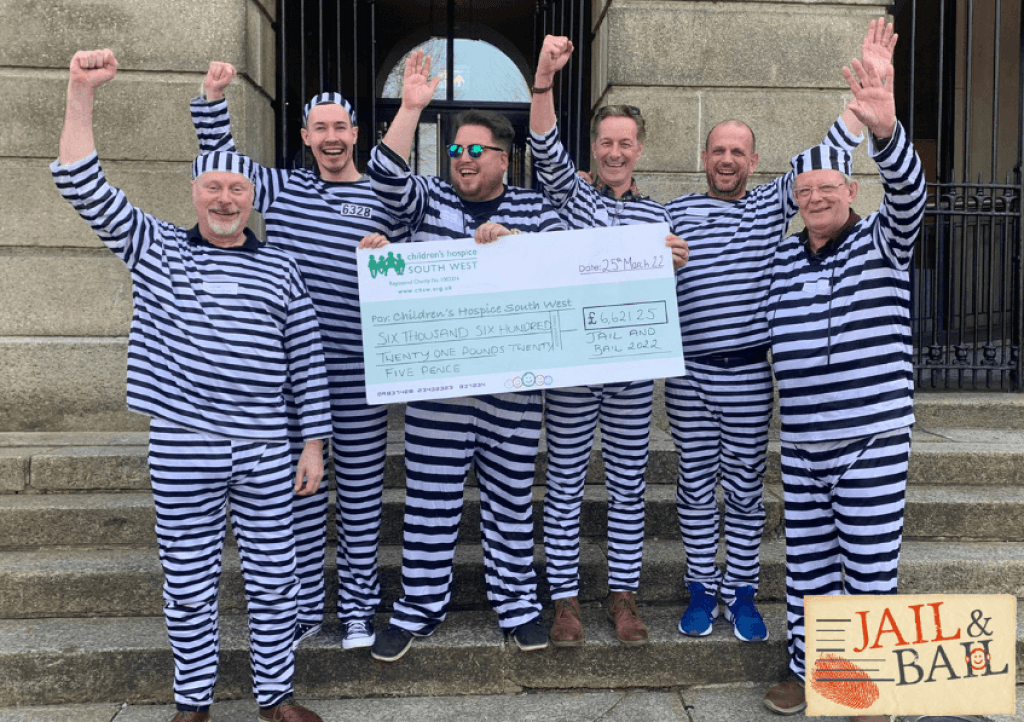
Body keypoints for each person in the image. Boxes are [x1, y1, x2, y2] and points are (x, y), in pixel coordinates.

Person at [54, 49, 331, 722]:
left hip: (267, 447)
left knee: (273, 579)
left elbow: (307, 360)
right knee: (188, 583)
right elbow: (81, 182)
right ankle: (192, 704)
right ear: (195, 191)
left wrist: (314, 443)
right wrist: (79, 91)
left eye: (238, 189)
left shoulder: (284, 272)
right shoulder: (155, 248)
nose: (227, 197)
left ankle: (275, 697)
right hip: (184, 445)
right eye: (214, 187)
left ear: (252, 197)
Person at [665, 18, 896, 644]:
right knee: (692, 487)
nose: (727, 159)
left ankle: (740, 592)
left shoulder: (775, 204)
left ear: (755, 161)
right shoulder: (675, 213)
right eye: (718, 150)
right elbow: (612, 255)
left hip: (747, 375)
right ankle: (698, 589)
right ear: (705, 157)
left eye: (739, 151)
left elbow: (823, 160)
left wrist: (862, 107)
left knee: (742, 489)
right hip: (688, 375)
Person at [191, 64, 407, 652]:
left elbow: (424, 257)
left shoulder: (383, 194)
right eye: (320, 128)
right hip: (288, 381)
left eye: (341, 126)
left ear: (356, 133)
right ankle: (306, 605)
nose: (331, 137)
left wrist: (393, 249)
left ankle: (359, 609)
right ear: (306, 136)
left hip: (363, 375)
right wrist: (212, 98)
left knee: (361, 501)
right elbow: (223, 167)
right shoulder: (282, 188)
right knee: (302, 499)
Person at [364, 50, 567, 663]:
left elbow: (563, 266)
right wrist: (411, 107)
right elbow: (383, 175)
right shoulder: (425, 202)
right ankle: (417, 610)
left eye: (475, 150)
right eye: (455, 151)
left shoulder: (535, 207)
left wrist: (517, 245)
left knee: (510, 504)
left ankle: (519, 609)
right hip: (439, 399)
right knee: (428, 507)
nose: (462, 159)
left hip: (513, 396)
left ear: (505, 158)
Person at [762, 45, 925, 722]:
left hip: (870, 442)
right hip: (802, 448)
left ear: (853, 192)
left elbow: (911, 194)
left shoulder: (884, 241)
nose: (817, 197)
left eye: (830, 188)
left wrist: (880, 128)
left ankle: (865, 688)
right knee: (810, 573)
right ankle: (812, 672)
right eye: (806, 192)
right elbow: (782, 188)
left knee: (868, 570)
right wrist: (844, 124)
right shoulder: (781, 260)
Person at [528, 35, 688, 647]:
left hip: (627, 373)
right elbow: (544, 145)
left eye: (625, 143)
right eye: (606, 142)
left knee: (627, 483)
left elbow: (663, 300)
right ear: (593, 147)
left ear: (638, 150)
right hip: (572, 369)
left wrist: (674, 265)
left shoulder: (657, 220)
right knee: (565, 482)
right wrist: (544, 82)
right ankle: (564, 601)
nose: (615, 152)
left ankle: (624, 597)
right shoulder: (571, 199)